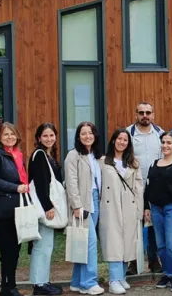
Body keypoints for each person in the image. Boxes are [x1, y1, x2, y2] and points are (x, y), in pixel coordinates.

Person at [0, 122, 28, 296]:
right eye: (5, 134)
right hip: (2, 211)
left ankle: (11, 285)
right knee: (7, 251)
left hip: (17, 210)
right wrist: (15, 187)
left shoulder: (18, 155)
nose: (10, 137)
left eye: (12, 134)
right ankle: (6, 287)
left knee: (15, 251)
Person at [144, 132, 172, 291]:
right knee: (161, 245)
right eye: (163, 142)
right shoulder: (154, 164)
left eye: (169, 143)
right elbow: (148, 187)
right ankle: (168, 273)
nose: (165, 145)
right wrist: (146, 207)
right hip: (156, 208)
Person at [99, 129, 143, 294]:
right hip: (110, 206)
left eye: (125, 140)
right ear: (113, 141)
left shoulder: (134, 163)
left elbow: (139, 188)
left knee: (127, 242)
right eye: (119, 139)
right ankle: (113, 280)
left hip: (129, 205)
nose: (122, 142)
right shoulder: (103, 162)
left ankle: (122, 276)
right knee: (114, 242)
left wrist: (139, 209)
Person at [65, 122, 104, 295]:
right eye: (83, 133)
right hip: (82, 202)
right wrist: (77, 205)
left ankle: (77, 282)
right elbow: (71, 182)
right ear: (78, 137)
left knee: (83, 241)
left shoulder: (96, 156)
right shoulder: (73, 156)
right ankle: (89, 283)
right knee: (90, 243)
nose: (87, 136)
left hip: (95, 201)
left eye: (90, 133)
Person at [126, 102, 163, 273]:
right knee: (134, 224)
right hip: (133, 186)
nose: (145, 115)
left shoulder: (160, 134)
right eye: (141, 112)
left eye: (148, 112)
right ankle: (134, 262)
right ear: (136, 115)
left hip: (155, 186)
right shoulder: (128, 134)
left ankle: (154, 260)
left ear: (153, 115)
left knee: (153, 223)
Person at [27, 123, 63, 296]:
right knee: (42, 246)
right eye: (45, 136)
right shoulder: (39, 155)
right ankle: (39, 285)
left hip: (46, 206)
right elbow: (41, 183)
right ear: (39, 138)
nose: (49, 139)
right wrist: (48, 206)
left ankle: (43, 280)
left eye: (52, 135)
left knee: (46, 245)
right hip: (43, 208)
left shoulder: (49, 155)